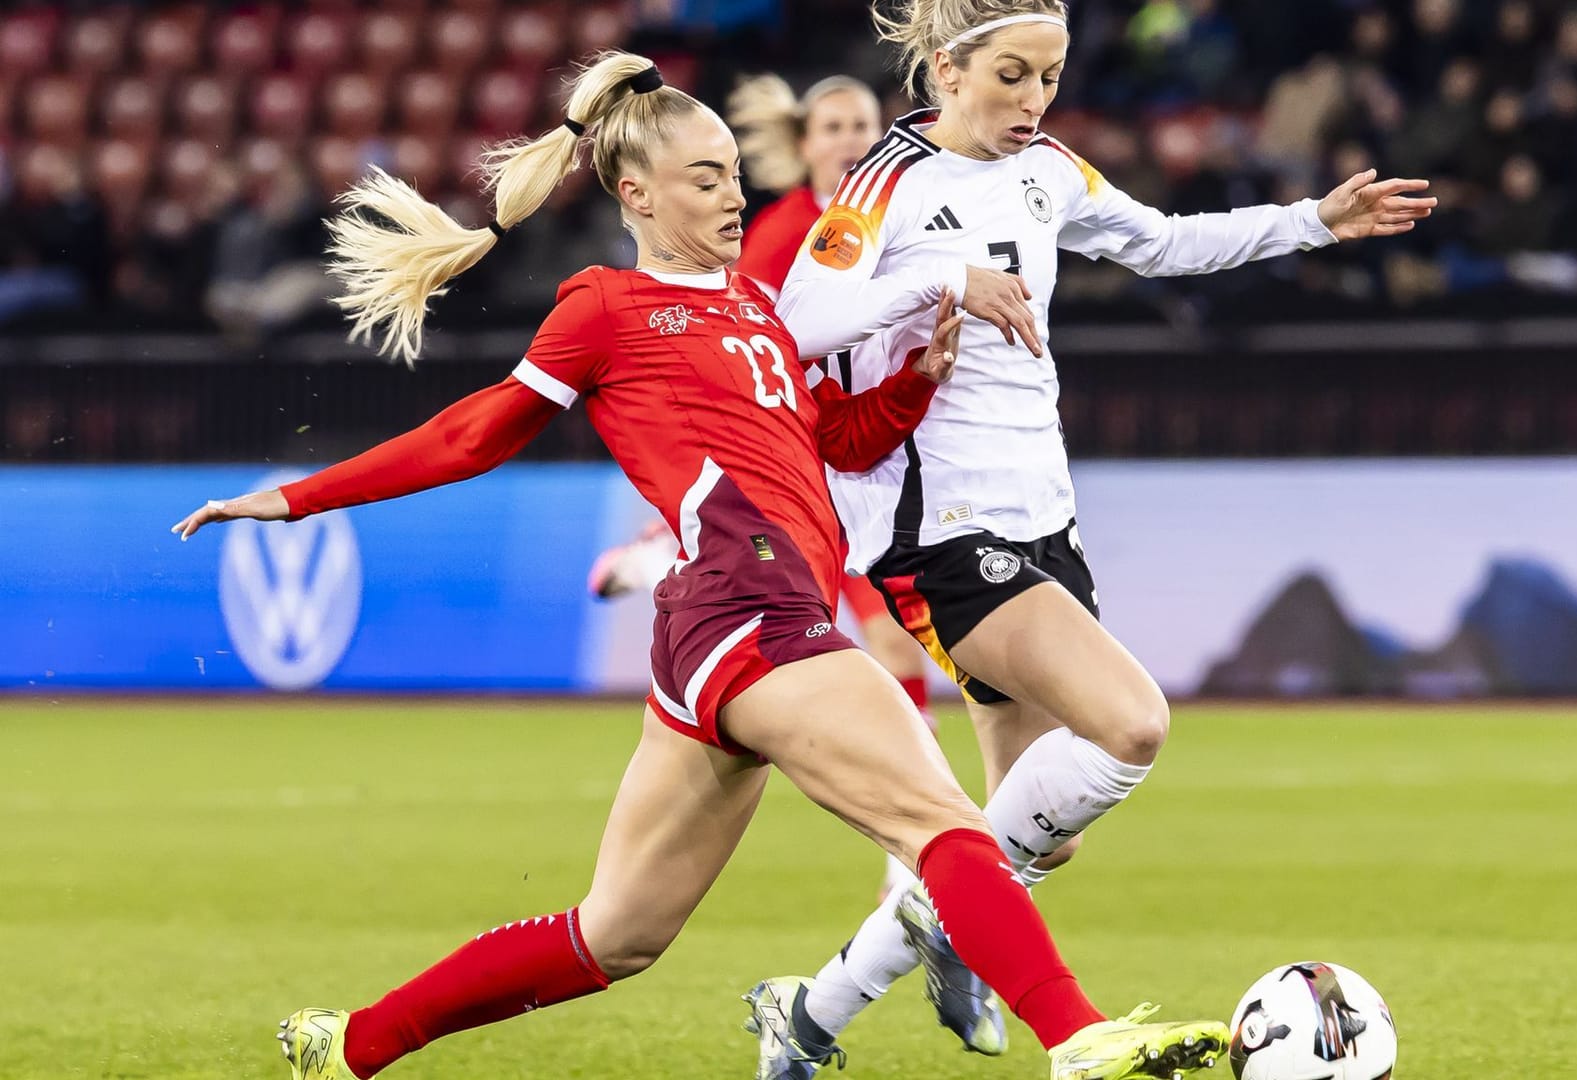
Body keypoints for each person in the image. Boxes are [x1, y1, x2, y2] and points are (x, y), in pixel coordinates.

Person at [169, 49, 1226, 1080]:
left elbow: (832, 448)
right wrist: (295, 497)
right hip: (749, 603)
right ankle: (1080, 1041)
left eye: (733, 173)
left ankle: (347, 1046)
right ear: (635, 191)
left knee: (616, 935)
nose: (734, 196)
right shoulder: (604, 306)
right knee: (945, 825)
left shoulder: (756, 308)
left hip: (717, 629)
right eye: (706, 177)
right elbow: (475, 433)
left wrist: (912, 386)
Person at [743, 2, 1438, 1076]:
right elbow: (798, 323)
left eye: (1051, 80)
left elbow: (1161, 244)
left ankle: (811, 1012)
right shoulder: (883, 184)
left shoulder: (1051, 171)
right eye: (1012, 76)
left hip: (1045, 526)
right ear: (946, 68)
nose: (1033, 103)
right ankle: (1060, 1029)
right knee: (1132, 723)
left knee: (1027, 846)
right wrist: (946, 278)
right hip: (941, 538)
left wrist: (1312, 221)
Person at [592, 69, 942, 786]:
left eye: (863, 126)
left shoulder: (899, 222)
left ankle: (909, 854)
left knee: (900, 653)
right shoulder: (780, 237)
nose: (851, 141)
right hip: (805, 467)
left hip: (870, 456)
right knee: (889, 650)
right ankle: (670, 545)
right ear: (806, 144)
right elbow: (736, 362)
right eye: (834, 127)